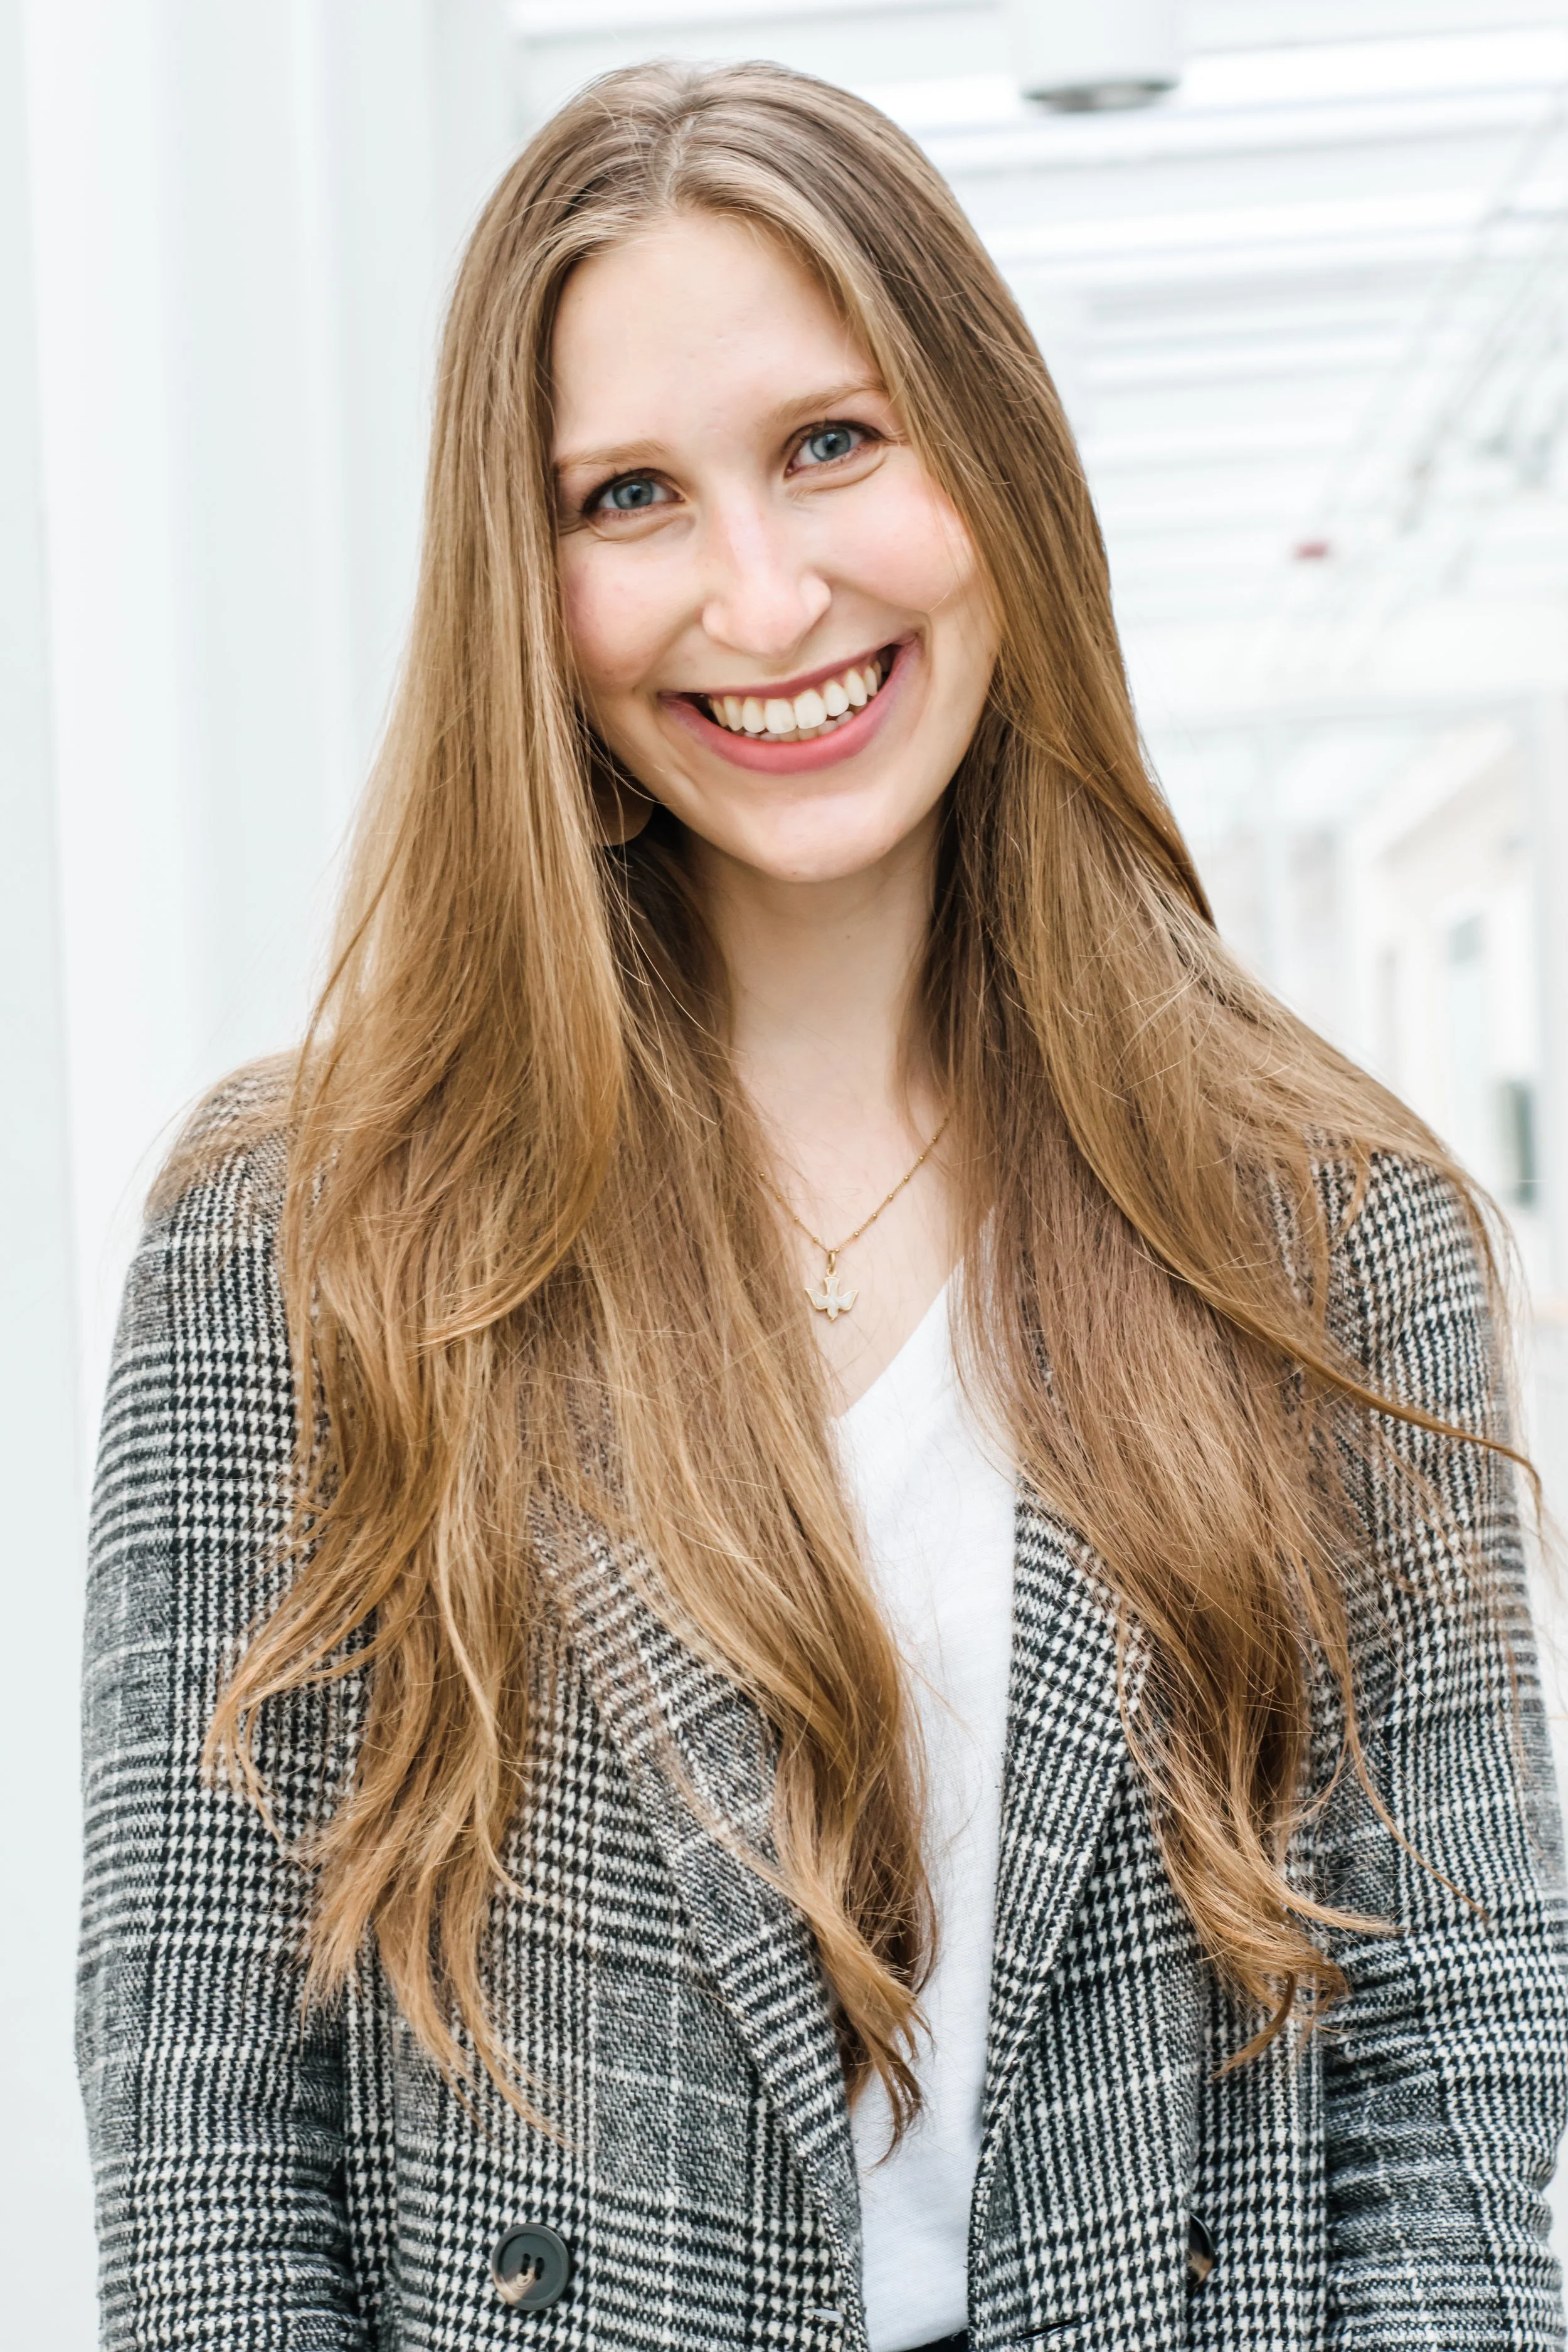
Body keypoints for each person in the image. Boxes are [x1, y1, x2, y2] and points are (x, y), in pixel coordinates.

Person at [78, 60, 1568, 2352]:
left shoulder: (1321, 1223)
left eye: (831, 445)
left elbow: (1453, 2085)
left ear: (990, 461)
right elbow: (208, 2142)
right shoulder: (303, 1238)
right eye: (629, 495)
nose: (758, 596)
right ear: (524, 575)